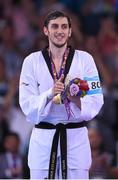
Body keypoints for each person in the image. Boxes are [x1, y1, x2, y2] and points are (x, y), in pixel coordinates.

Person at [19, 11, 104, 179]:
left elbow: (96, 98)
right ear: (45, 30)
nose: (60, 31)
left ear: (70, 31)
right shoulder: (31, 61)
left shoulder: (85, 60)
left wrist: (75, 99)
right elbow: (26, 103)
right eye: (55, 26)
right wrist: (50, 94)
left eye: (64, 26)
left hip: (76, 139)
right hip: (43, 139)